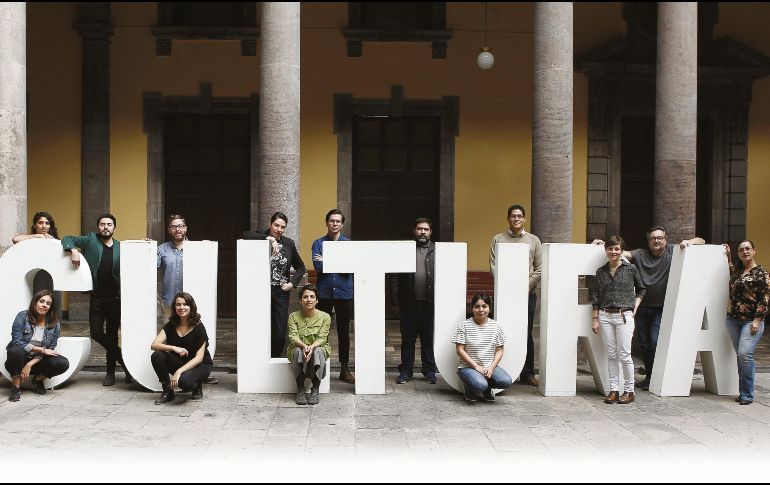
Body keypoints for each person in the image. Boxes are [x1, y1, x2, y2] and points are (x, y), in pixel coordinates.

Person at [593, 226, 704, 390]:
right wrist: (604, 245)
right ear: (649, 241)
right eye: (653, 238)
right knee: (644, 344)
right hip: (642, 307)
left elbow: (702, 241)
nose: (656, 241)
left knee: (653, 341)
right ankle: (650, 376)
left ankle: (658, 376)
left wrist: (690, 241)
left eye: (660, 238)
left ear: (665, 239)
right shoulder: (640, 254)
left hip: (661, 307)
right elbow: (621, 253)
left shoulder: (672, 252)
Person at [62, 213, 132, 386]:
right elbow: (66, 238)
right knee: (96, 332)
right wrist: (73, 251)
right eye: (102, 224)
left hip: (115, 298)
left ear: (114, 227)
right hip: (97, 297)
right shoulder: (90, 240)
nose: (105, 227)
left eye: (109, 224)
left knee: (112, 335)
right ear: (98, 227)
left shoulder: (120, 246)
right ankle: (124, 361)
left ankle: (110, 373)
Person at [489, 204, 541, 386]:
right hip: (504, 295)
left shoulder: (534, 240)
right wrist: (507, 289)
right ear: (508, 218)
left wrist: (522, 289)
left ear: (524, 219)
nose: (516, 219)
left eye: (520, 216)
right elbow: (494, 267)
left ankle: (527, 373)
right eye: (513, 216)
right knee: (501, 331)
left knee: (526, 333)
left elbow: (539, 269)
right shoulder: (498, 239)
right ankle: (500, 369)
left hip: (527, 295)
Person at [590, 235, 646, 405]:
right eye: (610, 248)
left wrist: (634, 307)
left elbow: (642, 289)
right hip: (605, 315)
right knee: (612, 355)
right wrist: (595, 318)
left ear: (621, 251)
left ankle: (629, 391)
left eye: (617, 249)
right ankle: (613, 390)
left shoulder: (631, 269)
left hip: (624, 316)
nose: (613, 252)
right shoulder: (601, 271)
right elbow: (596, 296)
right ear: (606, 250)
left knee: (624, 354)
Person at [243, 212, 306, 357]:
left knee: (279, 333)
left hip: (280, 292)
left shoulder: (288, 243)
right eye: (276, 225)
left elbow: (301, 267)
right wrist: (269, 239)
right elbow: (246, 234)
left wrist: (292, 284)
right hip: (261, 291)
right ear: (270, 224)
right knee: (258, 327)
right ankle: (258, 360)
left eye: (282, 227)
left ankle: (274, 358)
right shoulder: (261, 237)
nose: (279, 229)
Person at [723, 240, 769, 405]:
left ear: (754, 251)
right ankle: (743, 392)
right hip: (732, 320)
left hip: (751, 321)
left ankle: (747, 395)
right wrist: (728, 256)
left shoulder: (761, 273)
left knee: (745, 354)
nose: (745, 252)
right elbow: (730, 272)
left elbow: (764, 299)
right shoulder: (738, 271)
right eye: (741, 250)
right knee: (741, 357)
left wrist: (757, 320)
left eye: (748, 248)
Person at [311, 209, 354, 384]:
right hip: (325, 294)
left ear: (342, 224)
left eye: (338, 221)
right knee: (323, 331)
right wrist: (337, 261)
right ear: (327, 222)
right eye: (332, 221)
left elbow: (350, 267)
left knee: (344, 332)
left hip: (344, 293)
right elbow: (318, 267)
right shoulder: (318, 243)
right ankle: (322, 367)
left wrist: (327, 258)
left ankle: (345, 369)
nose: (334, 224)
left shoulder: (349, 244)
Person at [393, 217, 438, 385]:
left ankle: (429, 371)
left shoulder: (437, 250)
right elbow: (396, 277)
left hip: (429, 305)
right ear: (414, 230)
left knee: (428, 340)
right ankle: (406, 371)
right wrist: (395, 301)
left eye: (426, 229)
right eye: (419, 228)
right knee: (408, 340)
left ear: (430, 232)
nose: (422, 232)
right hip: (408, 305)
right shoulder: (406, 250)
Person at [5, 290, 70, 402]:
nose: (44, 305)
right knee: (15, 350)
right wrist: (42, 350)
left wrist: (29, 364)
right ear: (35, 302)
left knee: (63, 363)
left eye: (48, 303)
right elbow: (17, 341)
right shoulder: (22, 316)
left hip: (38, 362)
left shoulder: (54, 323)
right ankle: (16, 386)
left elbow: (51, 349)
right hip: (18, 361)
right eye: (41, 301)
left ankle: (38, 380)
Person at [150, 292, 213, 404]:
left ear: (191, 307)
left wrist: (179, 372)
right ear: (175, 307)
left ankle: (197, 384)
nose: (181, 307)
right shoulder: (171, 325)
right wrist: (174, 348)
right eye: (178, 305)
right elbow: (154, 345)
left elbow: (199, 358)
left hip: (200, 365)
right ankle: (168, 391)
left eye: (185, 304)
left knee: (184, 383)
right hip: (181, 362)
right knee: (157, 355)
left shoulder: (198, 326)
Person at [451, 293, 512, 402]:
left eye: (484, 306)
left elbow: (500, 350)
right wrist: (475, 366)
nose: (481, 309)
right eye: (477, 306)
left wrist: (492, 368)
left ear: (489, 307)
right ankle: (470, 388)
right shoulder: (464, 325)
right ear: (472, 308)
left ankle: (487, 388)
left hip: (488, 366)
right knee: (479, 385)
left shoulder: (496, 326)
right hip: (468, 367)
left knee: (506, 381)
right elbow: (459, 350)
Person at [287, 284, 331, 405]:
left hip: (318, 347)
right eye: (305, 297)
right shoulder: (293, 316)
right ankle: (300, 389)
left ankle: (315, 389)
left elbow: (322, 337)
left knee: (318, 351)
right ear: (301, 300)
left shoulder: (325, 317)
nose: (309, 300)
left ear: (317, 300)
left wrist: (311, 347)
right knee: (297, 351)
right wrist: (303, 346)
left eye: (312, 297)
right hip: (298, 347)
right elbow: (293, 336)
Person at [12, 211, 62, 311]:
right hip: (37, 277)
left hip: (53, 277)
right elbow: (15, 239)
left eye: (47, 223)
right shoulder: (30, 239)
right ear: (35, 225)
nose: (44, 226)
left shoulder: (54, 240)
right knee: (37, 306)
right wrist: (37, 236)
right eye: (40, 222)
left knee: (54, 308)